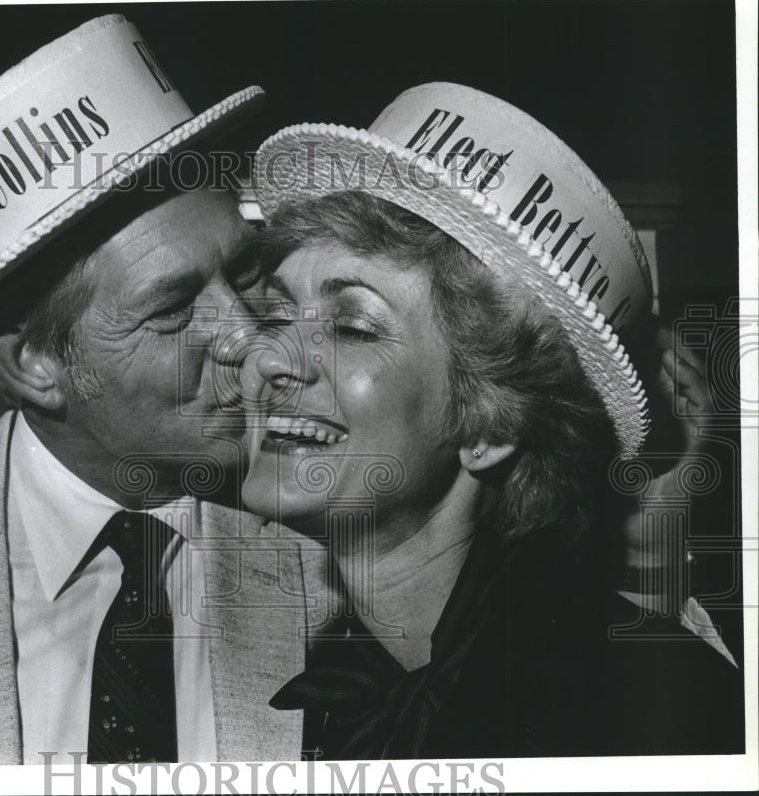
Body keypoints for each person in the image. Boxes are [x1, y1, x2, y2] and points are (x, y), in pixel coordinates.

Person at [0, 14, 332, 767]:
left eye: (245, 273)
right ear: (32, 366)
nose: (248, 335)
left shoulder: (350, 553)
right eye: (174, 309)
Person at [237, 83, 745, 757]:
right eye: (275, 315)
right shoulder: (318, 685)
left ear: (488, 424)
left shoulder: (645, 711)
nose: (272, 357)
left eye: (353, 325)